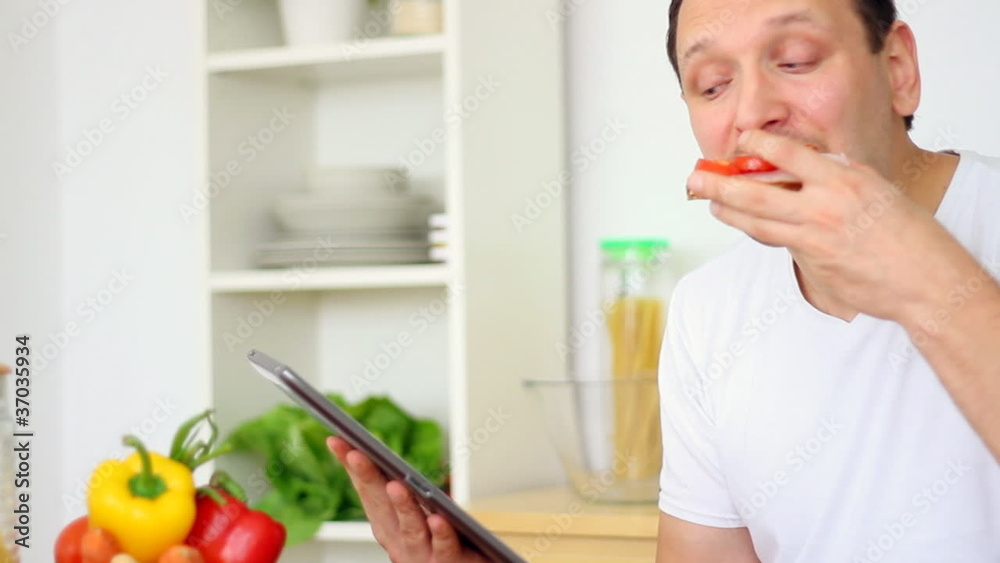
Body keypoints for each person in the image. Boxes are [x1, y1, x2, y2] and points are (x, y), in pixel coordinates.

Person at [327, 0, 1000, 560]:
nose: (753, 111)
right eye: (713, 84)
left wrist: (919, 271)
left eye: (795, 60)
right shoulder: (710, 309)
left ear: (898, 69)